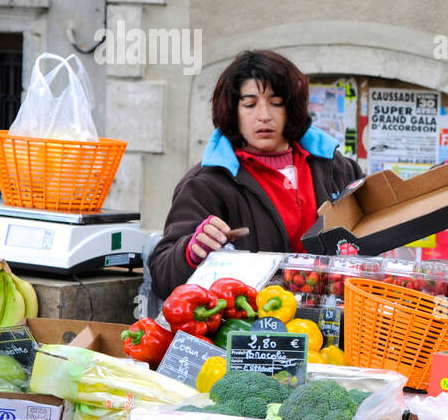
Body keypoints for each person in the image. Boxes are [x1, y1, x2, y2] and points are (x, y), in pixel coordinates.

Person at [149, 50, 366, 298]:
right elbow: (162, 278)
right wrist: (191, 250)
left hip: (339, 324)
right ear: (233, 111)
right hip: (251, 328)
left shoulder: (336, 167)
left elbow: (370, 241)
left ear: (291, 108)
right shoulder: (206, 184)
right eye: (250, 104)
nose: (264, 115)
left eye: (276, 103)